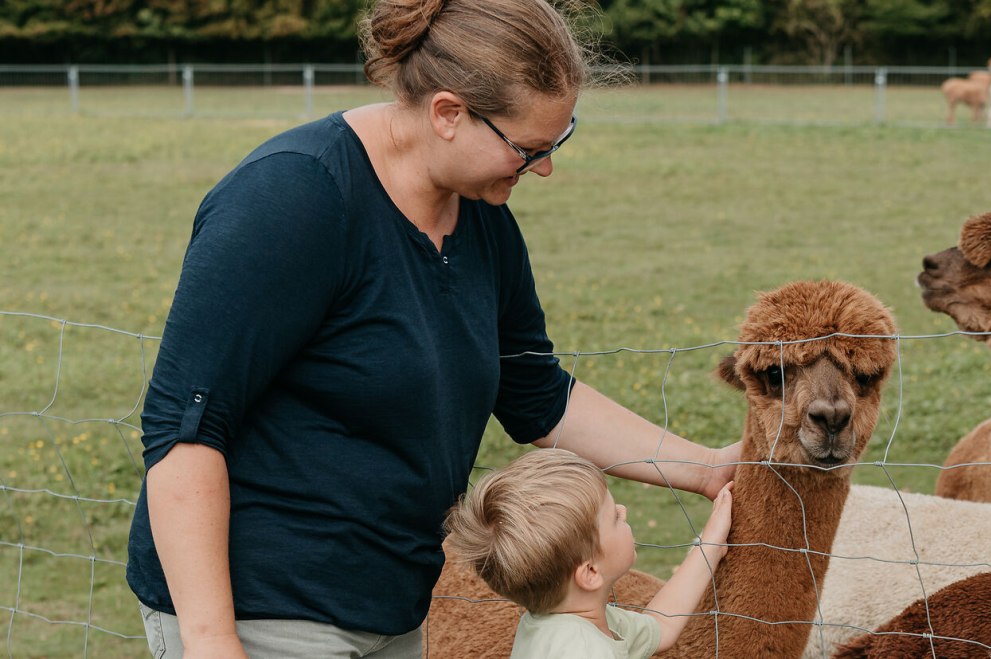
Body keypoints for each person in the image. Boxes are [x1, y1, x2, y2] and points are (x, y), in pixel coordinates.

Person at [124, 1, 740, 657]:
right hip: (264, 613)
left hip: (393, 608)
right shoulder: (292, 200)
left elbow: (537, 394)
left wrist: (705, 469)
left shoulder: (483, 223)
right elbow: (184, 425)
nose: (544, 169)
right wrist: (214, 641)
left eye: (556, 145)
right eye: (528, 149)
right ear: (448, 113)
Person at [443, 449, 734, 658]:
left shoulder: (561, 621)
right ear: (590, 572)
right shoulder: (581, 650)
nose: (624, 510)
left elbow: (662, 625)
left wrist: (709, 544)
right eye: (614, 519)